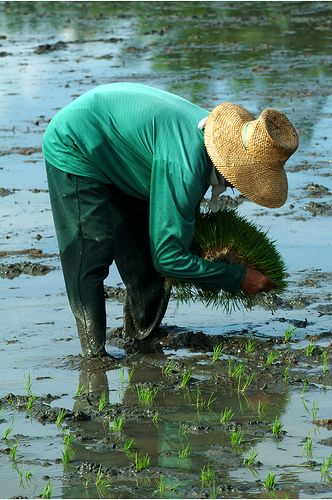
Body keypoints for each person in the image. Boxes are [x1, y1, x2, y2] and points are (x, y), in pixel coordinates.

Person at [42, 82, 299, 358]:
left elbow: (169, 244)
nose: (241, 188)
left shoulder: (209, 140)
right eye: (248, 180)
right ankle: (94, 356)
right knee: (92, 250)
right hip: (77, 143)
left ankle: (142, 337)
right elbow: (169, 258)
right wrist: (236, 277)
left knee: (145, 255)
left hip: (125, 155)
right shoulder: (185, 167)